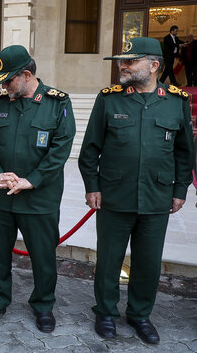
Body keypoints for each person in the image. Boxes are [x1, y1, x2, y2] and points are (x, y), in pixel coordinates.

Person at [78, 37, 193, 344]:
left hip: (157, 197)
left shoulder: (176, 100)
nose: (122, 66)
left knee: (148, 261)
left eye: (130, 61)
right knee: (109, 259)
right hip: (115, 194)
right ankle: (105, 312)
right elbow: (90, 148)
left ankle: (140, 314)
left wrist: (180, 188)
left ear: (153, 65)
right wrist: (92, 185)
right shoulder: (109, 99)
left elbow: (184, 151)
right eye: (121, 61)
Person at [0, 45, 76, 333]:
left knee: (43, 256)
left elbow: (60, 149)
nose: (4, 87)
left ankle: (43, 306)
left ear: (27, 75)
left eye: (8, 80)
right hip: (1, 196)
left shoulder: (58, 103)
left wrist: (32, 179)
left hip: (39, 197)